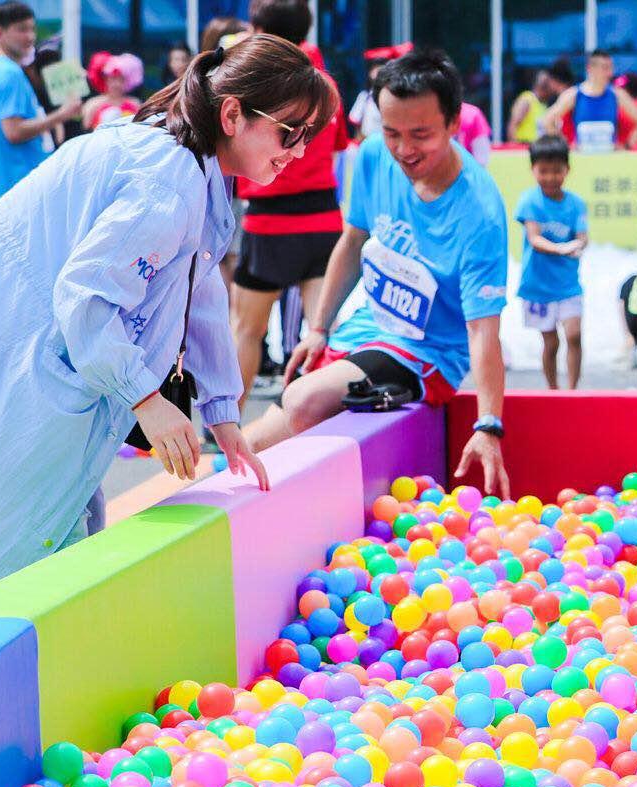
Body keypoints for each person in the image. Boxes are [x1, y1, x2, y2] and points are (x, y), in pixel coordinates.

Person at [0, 35, 336, 591]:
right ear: (233, 114)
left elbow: (199, 291)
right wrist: (147, 400)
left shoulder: (194, 167)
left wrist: (221, 413)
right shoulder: (169, 178)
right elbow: (87, 298)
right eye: (290, 132)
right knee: (20, 545)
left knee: (61, 527)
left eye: (309, 136)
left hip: (50, 350)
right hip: (21, 346)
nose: (299, 150)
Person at [249, 48, 511, 499]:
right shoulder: (372, 156)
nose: (404, 150)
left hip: (424, 355)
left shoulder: (480, 213)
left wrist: (489, 425)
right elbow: (352, 241)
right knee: (249, 442)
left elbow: (483, 330)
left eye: (421, 134)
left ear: (454, 124)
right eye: (392, 132)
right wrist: (318, 328)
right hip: (366, 332)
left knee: (304, 400)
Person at [227, 0, 350, 408]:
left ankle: (223, 430)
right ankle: (319, 423)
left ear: (261, 29)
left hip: (270, 224)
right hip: (322, 221)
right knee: (322, 331)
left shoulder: (259, 84)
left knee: (246, 330)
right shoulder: (325, 83)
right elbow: (339, 145)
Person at [0, 3, 81, 201]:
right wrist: (63, 114)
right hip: (22, 190)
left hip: (18, 190)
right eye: (21, 29)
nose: (30, 37)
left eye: (32, 29)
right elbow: (14, 131)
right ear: (0, 32)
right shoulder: (8, 73)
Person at [516, 135, 587, 390]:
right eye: (543, 171)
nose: (550, 177)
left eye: (556, 171)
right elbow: (534, 239)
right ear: (533, 170)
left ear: (567, 170)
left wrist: (578, 246)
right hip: (538, 286)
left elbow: (582, 237)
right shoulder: (529, 201)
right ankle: (553, 389)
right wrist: (561, 248)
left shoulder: (576, 203)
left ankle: (572, 390)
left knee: (574, 335)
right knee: (551, 343)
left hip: (568, 285)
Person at [540, 49, 637, 151]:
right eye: (605, 68)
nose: (610, 73)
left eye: (611, 67)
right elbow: (546, 120)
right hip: (581, 158)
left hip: (609, 158)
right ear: (590, 69)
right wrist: (565, 146)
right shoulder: (574, 94)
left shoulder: (617, 94)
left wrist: (627, 145)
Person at [83, 52, 144, 129]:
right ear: (105, 79)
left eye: (121, 79)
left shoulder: (135, 104)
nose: (116, 84)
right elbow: (86, 130)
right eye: (113, 79)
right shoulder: (93, 104)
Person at [507, 69, 555, 143]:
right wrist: (515, 147)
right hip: (523, 145)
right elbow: (513, 126)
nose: (552, 92)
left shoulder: (543, 104)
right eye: (550, 88)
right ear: (543, 87)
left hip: (537, 148)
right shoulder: (526, 100)